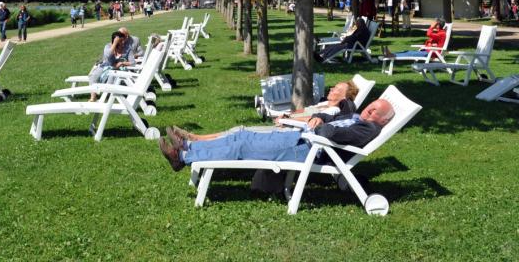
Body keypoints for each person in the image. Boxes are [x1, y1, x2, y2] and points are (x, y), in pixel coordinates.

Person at [160, 99, 395, 172]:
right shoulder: (356, 117)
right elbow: (332, 117)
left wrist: (321, 125)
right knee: (241, 138)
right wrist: (322, 118)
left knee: (242, 148)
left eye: (375, 111)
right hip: (298, 139)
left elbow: (333, 133)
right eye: (371, 105)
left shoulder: (368, 129)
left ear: (383, 120)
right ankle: (188, 148)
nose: (369, 110)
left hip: (307, 150)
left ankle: (182, 158)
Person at [173, 80, 360, 143]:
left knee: (241, 132)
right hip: (288, 125)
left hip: (290, 132)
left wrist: (288, 118)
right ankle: (195, 139)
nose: (332, 89)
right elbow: (306, 111)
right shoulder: (325, 103)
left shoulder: (335, 109)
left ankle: (195, 139)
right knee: (240, 130)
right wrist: (289, 114)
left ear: (344, 97)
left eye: (337, 89)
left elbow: (311, 119)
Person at [88, 31, 136, 101]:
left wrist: (122, 63)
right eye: (121, 41)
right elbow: (108, 55)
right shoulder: (108, 46)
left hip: (118, 69)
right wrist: (114, 44)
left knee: (111, 76)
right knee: (94, 75)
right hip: (105, 67)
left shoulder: (127, 49)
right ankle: (93, 97)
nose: (123, 42)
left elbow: (133, 62)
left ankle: (105, 97)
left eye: (123, 40)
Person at [383, 18, 447, 59]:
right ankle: (391, 54)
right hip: (428, 51)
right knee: (408, 51)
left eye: (436, 24)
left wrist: (431, 27)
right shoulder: (439, 32)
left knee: (410, 54)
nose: (434, 25)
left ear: (438, 25)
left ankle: (392, 55)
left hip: (431, 53)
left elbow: (428, 34)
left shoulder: (441, 34)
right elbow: (431, 39)